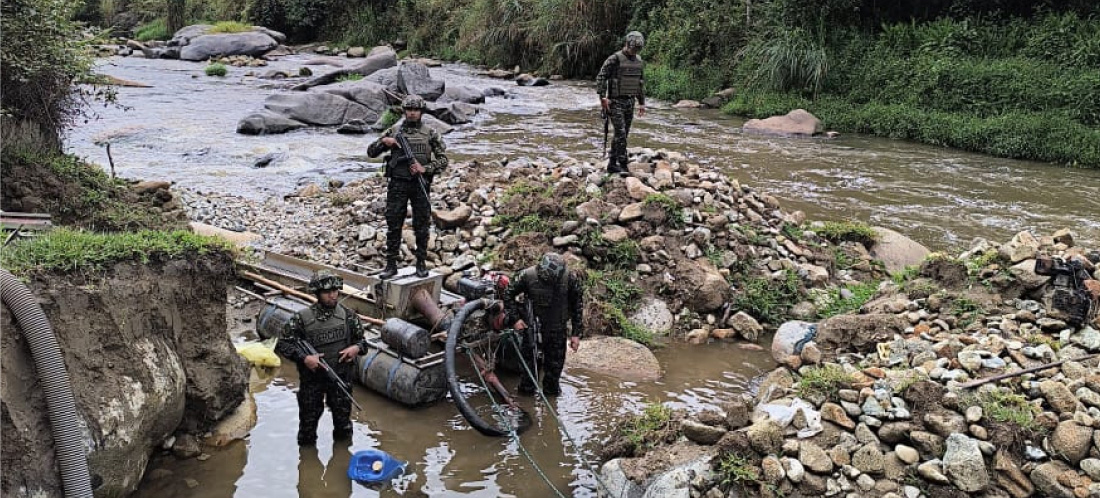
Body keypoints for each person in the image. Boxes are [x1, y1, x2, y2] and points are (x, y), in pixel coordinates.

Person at [276, 270, 368, 446]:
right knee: (307, 431)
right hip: (312, 382)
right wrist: (304, 359)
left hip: (340, 378)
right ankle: (308, 466)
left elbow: (363, 342)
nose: (333, 296)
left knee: (344, 428)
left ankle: (342, 461)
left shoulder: (348, 316)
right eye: (327, 292)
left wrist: (355, 348)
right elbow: (283, 344)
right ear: (318, 293)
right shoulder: (301, 319)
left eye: (335, 291)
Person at [367, 94, 449, 279]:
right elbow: (371, 152)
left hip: (420, 184)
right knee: (394, 223)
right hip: (398, 183)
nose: (412, 113)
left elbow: (443, 160)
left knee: (421, 224)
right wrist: (383, 142)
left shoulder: (430, 133)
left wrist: (425, 168)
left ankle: (420, 262)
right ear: (404, 111)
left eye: (416, 110)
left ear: (421, 112)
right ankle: (390, 265)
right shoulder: (394, 131)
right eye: (409, 110)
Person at [503, 253, 584, 396]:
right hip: (532, 329)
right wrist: (515, 319)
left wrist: (576, 334)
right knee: (528, 375)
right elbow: (508, 293)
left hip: (557, 331)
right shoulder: (527, 276)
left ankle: (551, 403)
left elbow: (577, 305)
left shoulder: (569, 278)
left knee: (553, 376)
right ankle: (527, 405)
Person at [596, 31, 646, 175]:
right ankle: (623, 163)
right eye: (632, 48)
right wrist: (602, 97)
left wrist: (641, 102)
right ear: (626, 44)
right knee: (621, 133)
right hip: (615, 102)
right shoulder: (615, 59)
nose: (634, 51)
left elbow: (639, 82)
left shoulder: (639, 61)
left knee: (623, 134)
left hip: (630, 102)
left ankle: (612, 163)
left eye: (637, 49)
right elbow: (601, 77)